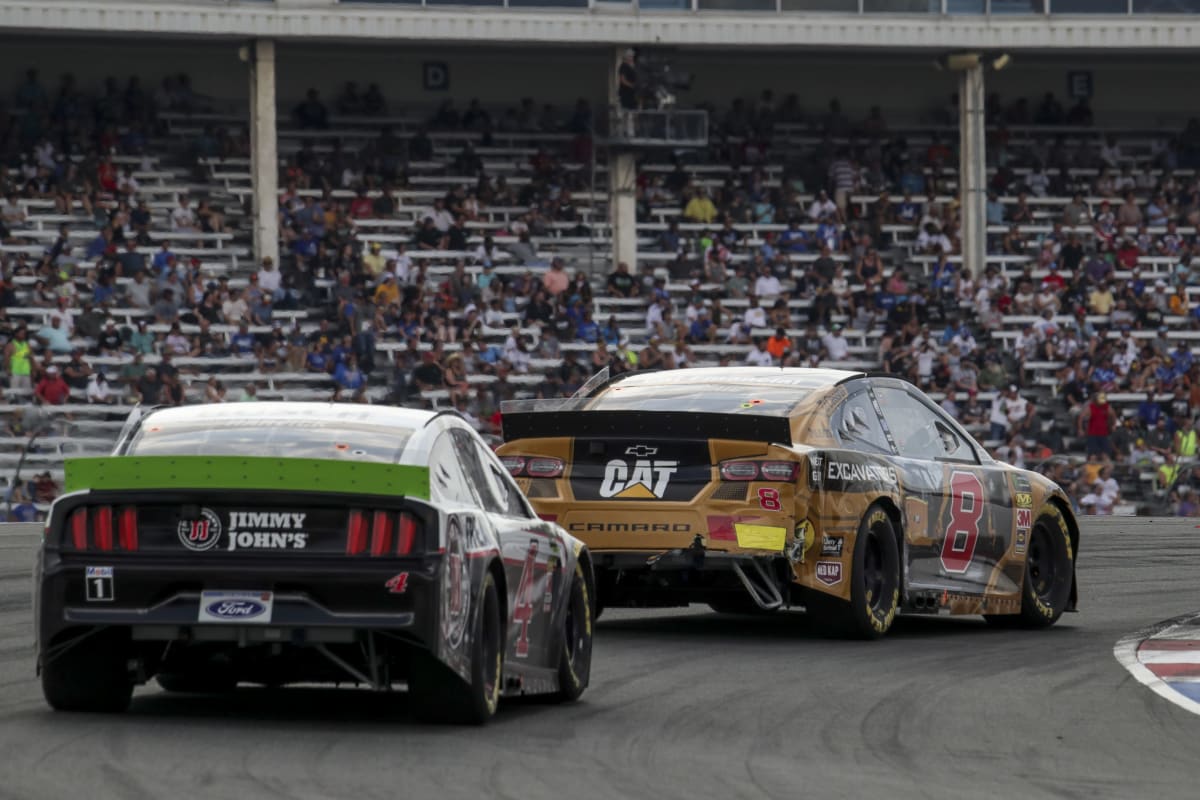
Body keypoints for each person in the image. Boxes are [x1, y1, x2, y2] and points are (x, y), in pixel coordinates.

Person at [1078, 392, 1117, 458]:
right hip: (1092, 434)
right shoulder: (1090, 408)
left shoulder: (1106, 407)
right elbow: (1081, 418)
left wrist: (1114, 425)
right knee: (1093, 456)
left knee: (1105, 455)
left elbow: (1113, 415)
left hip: (1104, 434)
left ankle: (1106, 467)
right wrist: (1080, 429)